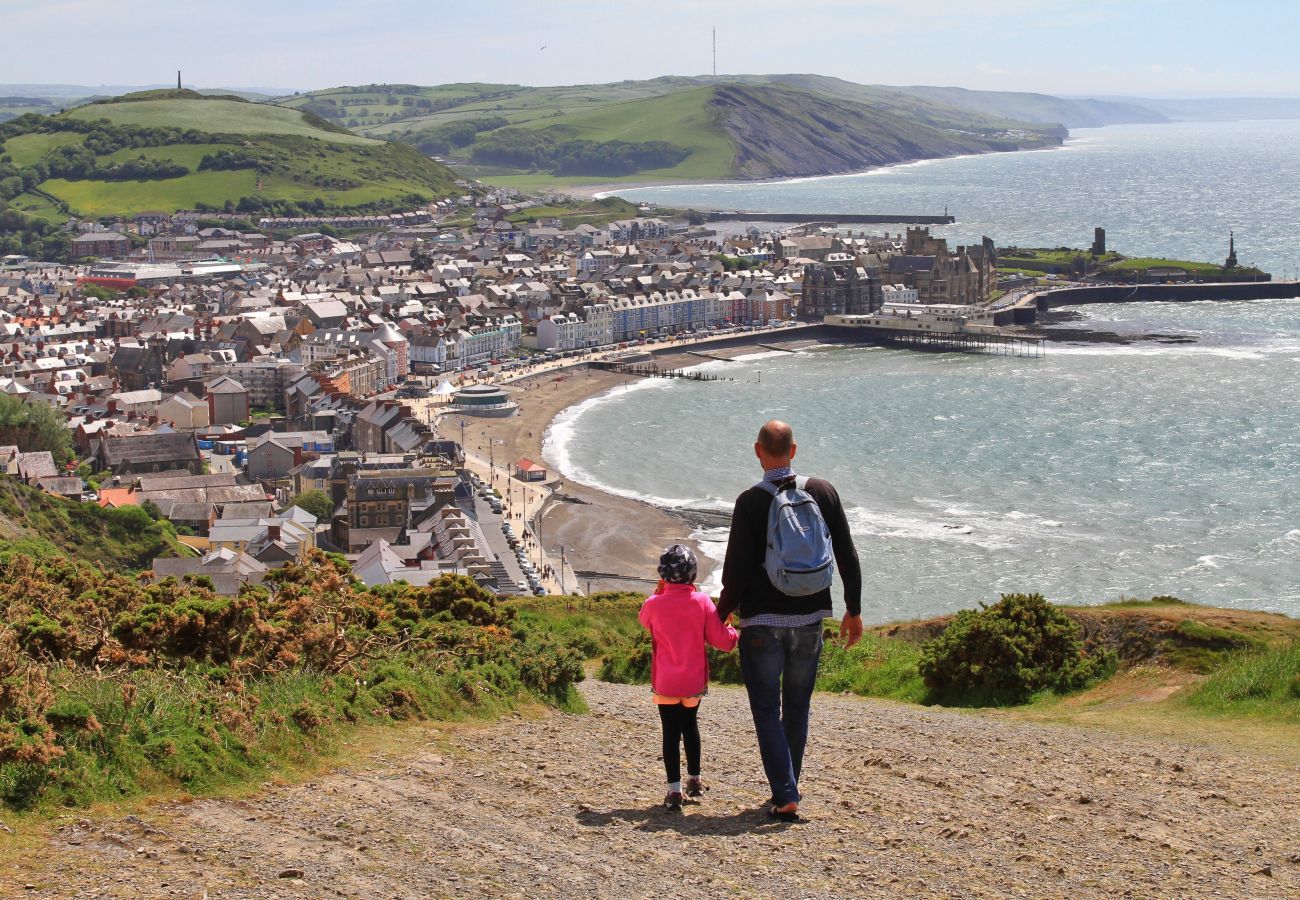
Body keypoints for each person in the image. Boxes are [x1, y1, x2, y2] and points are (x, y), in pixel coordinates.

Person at [716, 420, 862, 822]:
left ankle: (785, 791)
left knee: (765, 708)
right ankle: (788, 787)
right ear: (793, 450)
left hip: (761, 621)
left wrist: (717, 615)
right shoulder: (822, 492)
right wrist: (854, 609)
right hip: (811, 618)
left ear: (758, 451)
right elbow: (846, 554)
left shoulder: (750, 502)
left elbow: (736, 572)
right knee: (797, 707)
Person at [639, 545, 738, 812]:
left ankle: (674, 791)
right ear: (693, 574)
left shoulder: (653, 604)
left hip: (665, 682)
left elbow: (644, 620)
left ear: (663, 574)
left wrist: (660, 592)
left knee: (670, 733)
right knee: (690, 726)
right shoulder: (703, 602)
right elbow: (724, 642)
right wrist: (732, 628)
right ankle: (695, 780)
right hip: (693, 682)